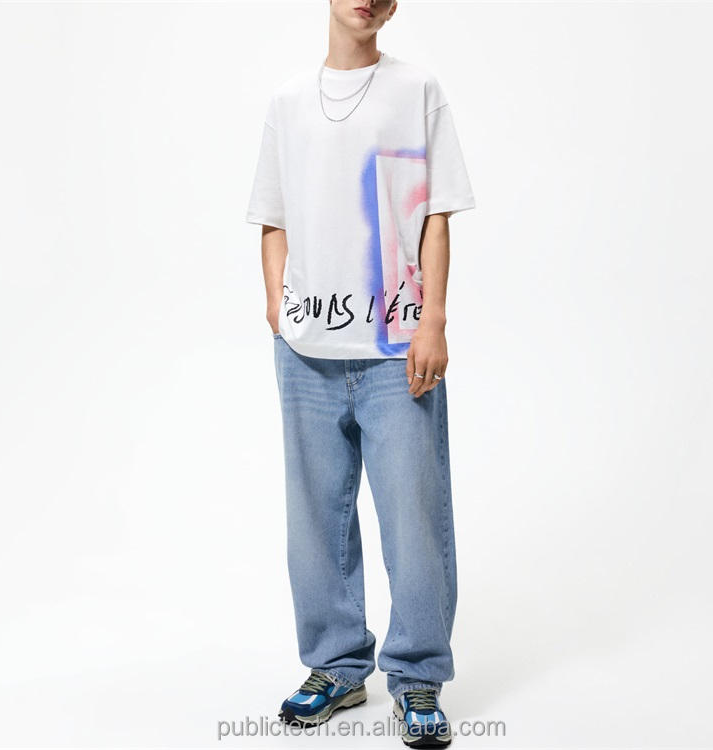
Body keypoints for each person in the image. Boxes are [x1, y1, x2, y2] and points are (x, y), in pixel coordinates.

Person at [245, 0, 475, 745]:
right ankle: (337, 667)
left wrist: (433, 321)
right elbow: (272, 217)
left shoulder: (416, 90)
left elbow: (436, 215)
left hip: (395, 347)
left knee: (414, 515)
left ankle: (417, 676)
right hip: (307, 352)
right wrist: (278, 309)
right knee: (315, 518)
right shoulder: (288, 100)